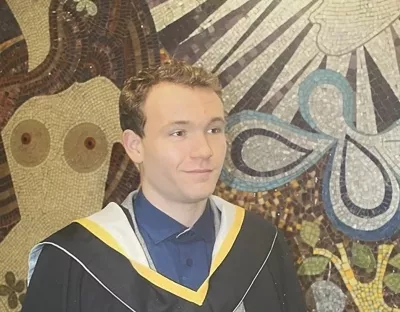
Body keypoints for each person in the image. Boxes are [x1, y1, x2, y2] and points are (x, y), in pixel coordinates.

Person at [22, 60, 307, 312]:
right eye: (179, 132)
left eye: (214, 129)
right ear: (135, 146)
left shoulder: (261, 245)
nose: (204, 150)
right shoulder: (73, 260)